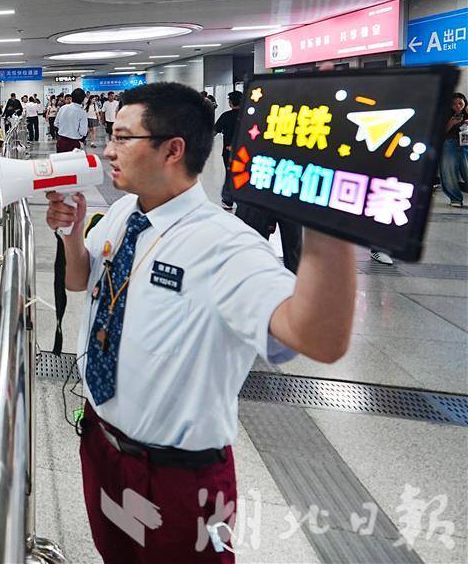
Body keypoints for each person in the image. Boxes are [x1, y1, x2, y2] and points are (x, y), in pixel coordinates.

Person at [45, 82, 357, 563]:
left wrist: (328, 221)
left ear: (173, 150)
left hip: (177, 476)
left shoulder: (226, 245)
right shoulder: (125, 212)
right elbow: (79, 279)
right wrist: (71, 234)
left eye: (123, 137)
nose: (107, 149)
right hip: (102, 445)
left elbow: (319, 338)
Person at [213, 90, 243, 210]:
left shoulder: (226, 116)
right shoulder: (248, 115)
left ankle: (228, 200)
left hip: (229, 152)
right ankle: (244, 202)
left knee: (230, 174)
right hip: (245, 152)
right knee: (244, 174)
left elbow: (214, 131)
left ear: (230, 102)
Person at [439, 91, 466, 208]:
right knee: (448, 171)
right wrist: (451, 123)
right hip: (449, 143)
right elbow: (439, 133)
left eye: (460, 103)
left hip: (466, 144)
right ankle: (455, 198)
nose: (458, 106)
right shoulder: (445, 114)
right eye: (454, 104)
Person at [55, 89, 90, 153]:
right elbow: (83, 132)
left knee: (61, 159)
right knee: (72, 159)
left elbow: (56, 123)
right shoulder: (82, 112)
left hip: (61, 141)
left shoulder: (63, 108)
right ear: (83, 99)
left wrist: (64, 129)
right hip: (73, 143)